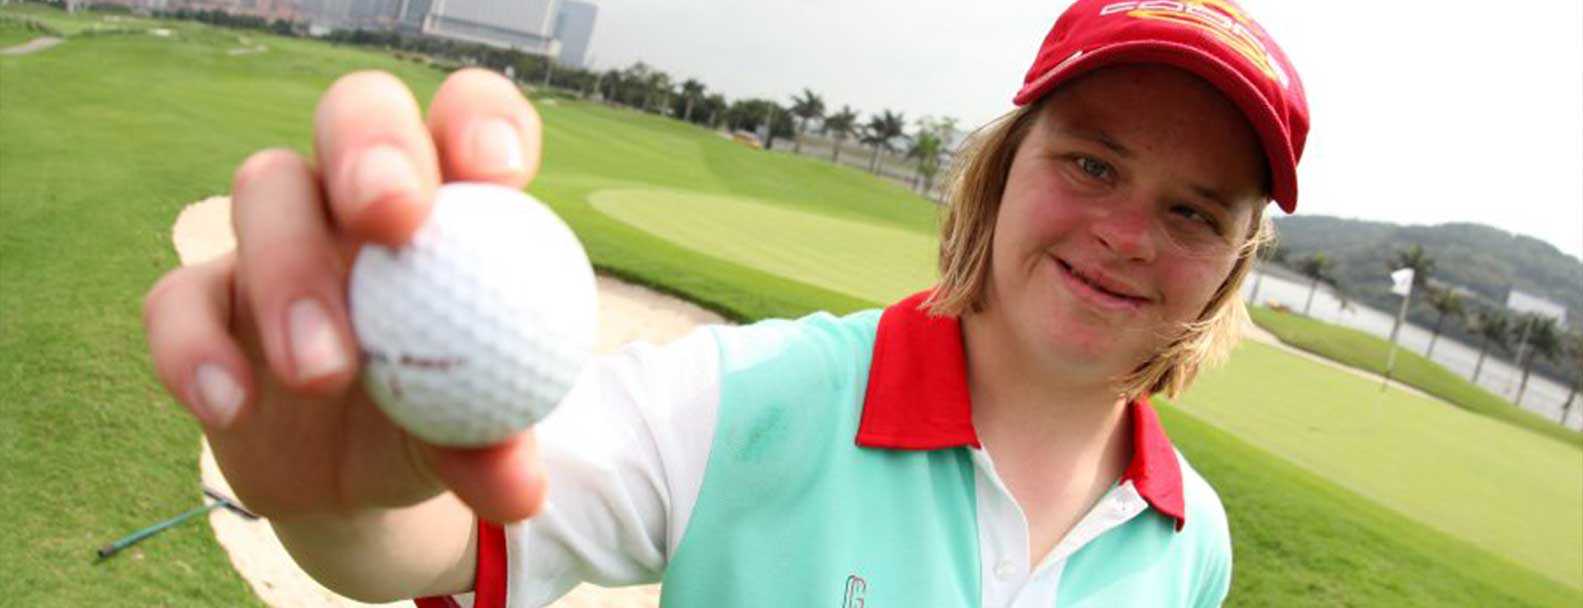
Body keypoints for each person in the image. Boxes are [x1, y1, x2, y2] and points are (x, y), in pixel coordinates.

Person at [142, 0, 1308, 605]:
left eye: (1193, 212)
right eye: (1091, 165)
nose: (1122, 235)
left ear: (1230, 262)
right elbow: (441, 535)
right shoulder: (761, 397)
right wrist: (334, 493)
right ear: (1002, 168)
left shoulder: (1189, 540)